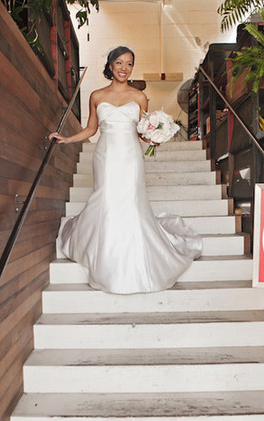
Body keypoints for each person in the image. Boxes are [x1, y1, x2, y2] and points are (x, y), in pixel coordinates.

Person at [49, 45, 202, 294]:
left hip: (131, 156)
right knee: (107, 200)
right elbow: (91, 129)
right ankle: (107, 257)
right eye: (119, 62)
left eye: (129, 64)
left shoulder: (139, 97)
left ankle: (135, 257)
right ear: (110, 65)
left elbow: (142, 131)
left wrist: (155, 137)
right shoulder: (96, 96)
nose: (124, 68)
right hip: (106, 156)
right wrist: (67, 139)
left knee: (131, 201)